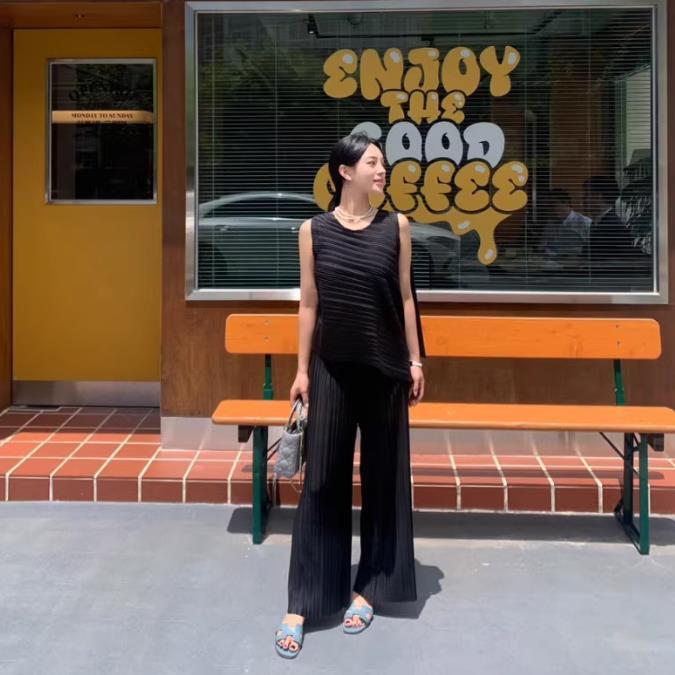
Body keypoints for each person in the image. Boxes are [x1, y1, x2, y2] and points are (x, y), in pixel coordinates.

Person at [274, 132, 426, 659]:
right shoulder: (312, 231)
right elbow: (308, 304)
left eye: (382, 163)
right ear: (345, 171)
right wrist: (301, 371)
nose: (382, 171)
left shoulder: (396, 226)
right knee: (321, 482)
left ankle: (371, 588)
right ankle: (305, 600)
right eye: (373, 163)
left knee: (385, 481)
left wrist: (416, 360)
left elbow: (406, 297)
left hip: (386, 370)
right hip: (331, 370)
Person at [538, 188, 591, 260]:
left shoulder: (584, 222)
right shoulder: (551, 223)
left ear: (566, 203)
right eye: (546, 207)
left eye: (552, 205)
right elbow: (541, 247)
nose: (549, 210)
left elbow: (593, 251)